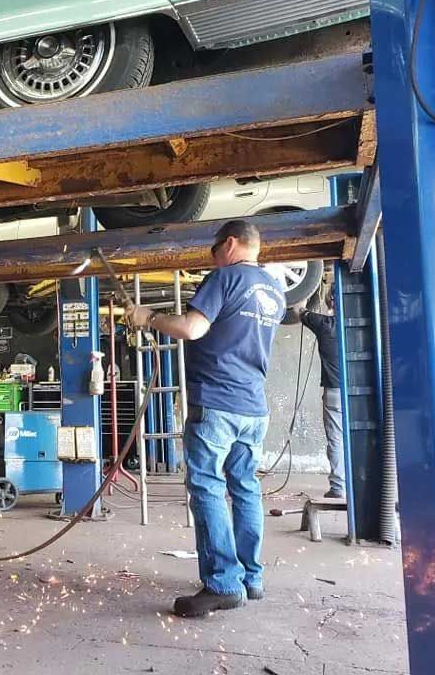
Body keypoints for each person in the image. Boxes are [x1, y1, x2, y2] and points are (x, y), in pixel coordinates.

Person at [126, 220, 285, 617]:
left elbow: (193, 328)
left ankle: (222, 583)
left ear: (229, 244)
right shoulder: (273, 290)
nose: (212, 257)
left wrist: (148, 318)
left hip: (216, 401)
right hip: (253, 406)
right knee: (245, 488)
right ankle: (250, 578)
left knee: (207, 487)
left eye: (214, 249)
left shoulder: (227, 277)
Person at [293, 288, 345, 499]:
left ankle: (339, 487)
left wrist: (308, 286)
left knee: (336, 440)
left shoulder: (324, 325)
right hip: (361, 393)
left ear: (331, 300)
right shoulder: (362, 325)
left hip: (334, 392)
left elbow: (298, 309)